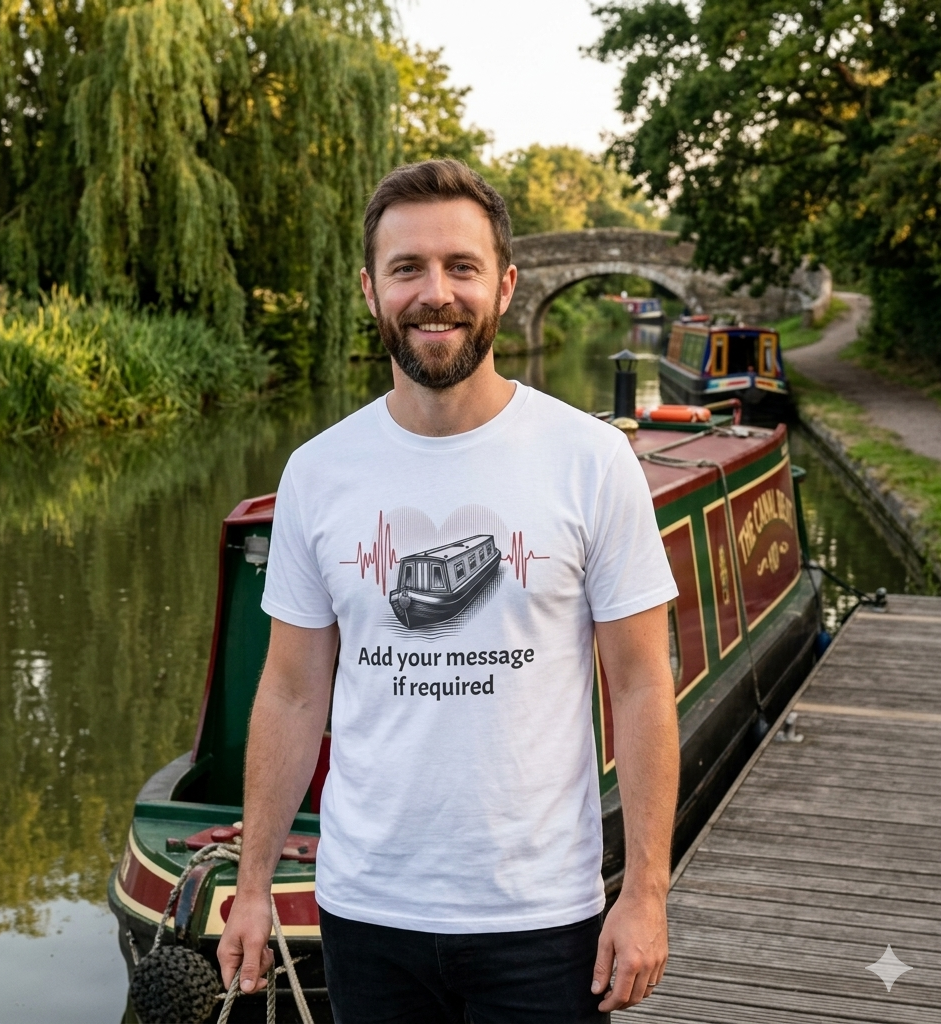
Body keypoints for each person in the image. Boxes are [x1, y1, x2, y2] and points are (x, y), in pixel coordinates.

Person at [218, 159, 680, 1023]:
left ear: (505, 286)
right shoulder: (317, 472)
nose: (437, 293)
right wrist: (252, 886)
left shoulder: (591, 460)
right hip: (366, 910)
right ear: (371, 289)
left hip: (542, 915)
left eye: (461, 267)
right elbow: (289, 692)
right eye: (408, 269)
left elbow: (643, 685)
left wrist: (646, 892)